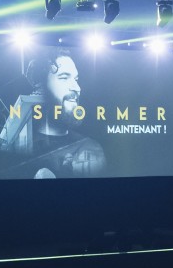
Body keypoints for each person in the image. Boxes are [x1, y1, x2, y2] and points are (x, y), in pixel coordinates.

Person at [10, 50, 107, 179]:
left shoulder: (92, 148)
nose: (77, 88)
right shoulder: (15, 149)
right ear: (41, 85)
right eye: (64, 77)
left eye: (76, 79)